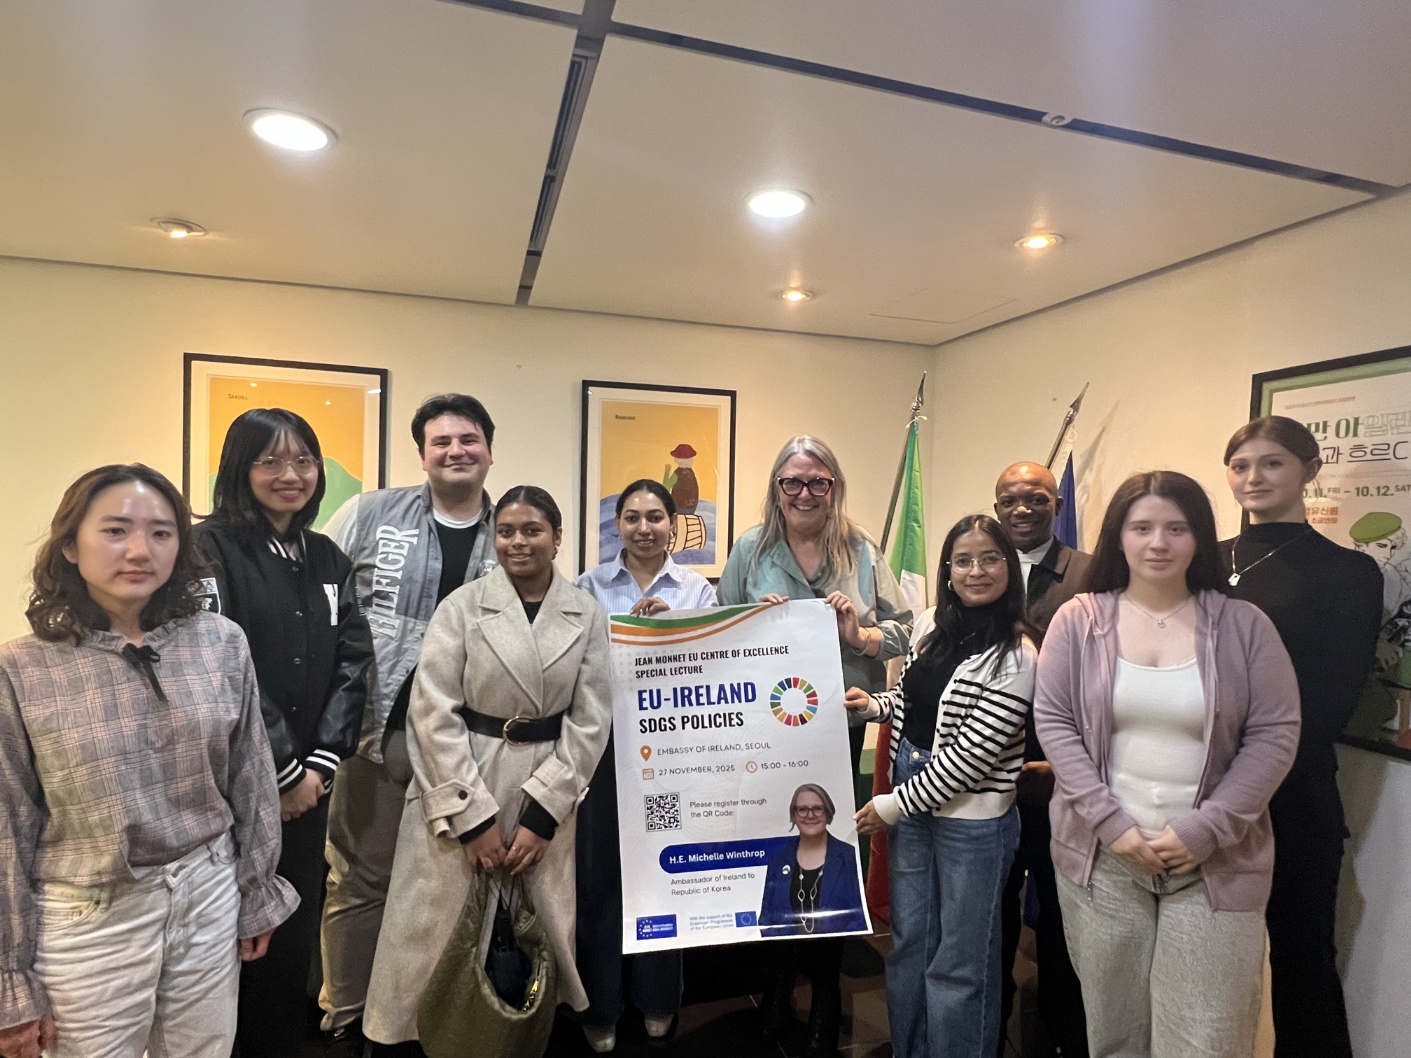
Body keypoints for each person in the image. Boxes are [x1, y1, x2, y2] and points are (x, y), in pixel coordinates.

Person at [0, 464, 297, 1058]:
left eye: (162, 533)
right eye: (116, 530)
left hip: (207, 891)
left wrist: (256, 890)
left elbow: (251, 777)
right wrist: (11, 980)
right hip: (89, 913)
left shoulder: (220, 642)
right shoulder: (22, 667)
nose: (140, 550)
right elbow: (8, 823)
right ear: (69, 545)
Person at [1035, 470, 1302, 1058]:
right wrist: (1112, 825)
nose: (1158, 542)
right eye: (1142, 527)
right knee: (1115, 1033)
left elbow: (1275, 735)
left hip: (1216, 862)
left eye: (1176, 528)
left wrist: (1206, 828)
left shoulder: (1244, 626)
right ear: (1119, 536)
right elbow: (1055, 724)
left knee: (1207, 1039)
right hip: (1103, 860)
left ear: (1199, 537)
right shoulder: (1079, 620)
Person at [361, 486, 613, 1051]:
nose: (518, 542)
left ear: (557, 537)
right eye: (506, 531)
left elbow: (591, 721)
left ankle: (514, 1035)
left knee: (532, 934)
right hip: (460, 777)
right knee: (429, 932)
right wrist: (471, 819)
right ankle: (418, 1037)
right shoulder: (461, 607)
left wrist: (543, 816)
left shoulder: (587, 614)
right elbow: (432, 712)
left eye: (532, 530)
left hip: (545, 786)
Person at [717, 435, 912, 1058]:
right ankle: (778, 984)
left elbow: (907, 631)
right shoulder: (750, 549)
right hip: (766, 730)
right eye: (793, 482)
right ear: (777, 487)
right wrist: (750, 622)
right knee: (777, 857)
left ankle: (826, 990)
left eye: (818, 482)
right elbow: (715, 636)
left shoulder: (862, 550)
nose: (805, 493)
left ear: (834, 487)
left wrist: (860, 635)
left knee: (828, 859)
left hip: (837, 729)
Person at [317, 394, 499, 1057]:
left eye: (468, 439)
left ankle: (421, 1018)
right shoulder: (369, 515)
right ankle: (345, 1014)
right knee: (360, 880)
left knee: (447, 889)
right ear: (422, 454)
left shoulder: (511, 529)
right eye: (441, 441)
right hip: (377, 734)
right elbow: (320, 600)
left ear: (489, 450)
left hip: (467, 743)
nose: (456, 451)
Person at [193, 409, 374, 1057]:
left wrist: (321, 763)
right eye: (270, 461)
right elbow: (220, 663)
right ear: (239, 469)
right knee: (228, 933)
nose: (290, 474)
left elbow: (355, 659)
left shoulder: (325, 555)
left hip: (310, 789)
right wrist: (284, 770)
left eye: (303, 460)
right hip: (231, 784)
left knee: (292, 928)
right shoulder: (208, 550)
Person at [846, 514, 1035, 1058]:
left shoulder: (1019, 655)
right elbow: (913, 700)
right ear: (947, 569)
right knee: (909, 945)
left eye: (990, 558)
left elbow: (970, 760)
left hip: (971, 824)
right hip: (914, 804)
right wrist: (873, 707)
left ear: (1009, 566)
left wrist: (891, 805)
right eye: (963, 560)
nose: (976, 571)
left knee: (958, 964)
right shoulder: (931, 622)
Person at [1222, 417, 1381, 1058]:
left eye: (1273, 463)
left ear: (1310, 470)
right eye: (1240, 465)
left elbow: (1327, 707)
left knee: (1301, 962)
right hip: (1194, 796)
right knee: (1205, 970)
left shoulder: (1348, 571)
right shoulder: (1202, 560)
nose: (1253, 478)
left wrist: (1244, 781)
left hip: (1292, 797)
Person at [571, 479, 716, 1051]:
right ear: (618, 526)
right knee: (599, 879)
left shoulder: (696, 590)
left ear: (672, 525)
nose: (644, 528)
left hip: (671, 755)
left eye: (655, 517)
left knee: (661, 875)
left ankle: (658, 999)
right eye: (631, 517)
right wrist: (624, 634)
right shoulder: (588, 587)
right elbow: (574, 666)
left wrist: (669, 631)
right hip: (603, 750)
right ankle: (600, 1005)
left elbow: (714, 666)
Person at [992, 461, 1091, 1058]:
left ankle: (1061, 1031)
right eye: (1010, 500)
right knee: (995, 906)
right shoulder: (982, 565)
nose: (1022, 510)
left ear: (1056, 504)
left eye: (1036, 498)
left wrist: (1069, 766)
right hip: (990, 772)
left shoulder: (1089, 573)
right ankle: (992, 1020)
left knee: (1061, 910)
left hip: (1062, 775)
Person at [759, 785, 868, 938]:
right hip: (784, 950)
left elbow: (860, 918)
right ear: (794, 815)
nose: (810, 815)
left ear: (828, 813)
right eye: (802, 809)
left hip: (838, 948)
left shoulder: (849, 857)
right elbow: (766, 919)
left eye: (817, 809)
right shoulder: (778, 860)